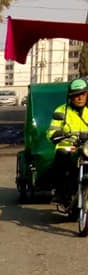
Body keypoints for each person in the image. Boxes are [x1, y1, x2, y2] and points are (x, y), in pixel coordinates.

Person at [47, 77, 88, 206]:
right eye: (76, 95)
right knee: (61, 157)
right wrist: (59, 134)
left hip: (87, 146)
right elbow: (51, 132)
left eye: (82, 94)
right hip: (68, 146)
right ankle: (60, 193)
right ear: (70, 96)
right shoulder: (61, 111)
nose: (80, 98)